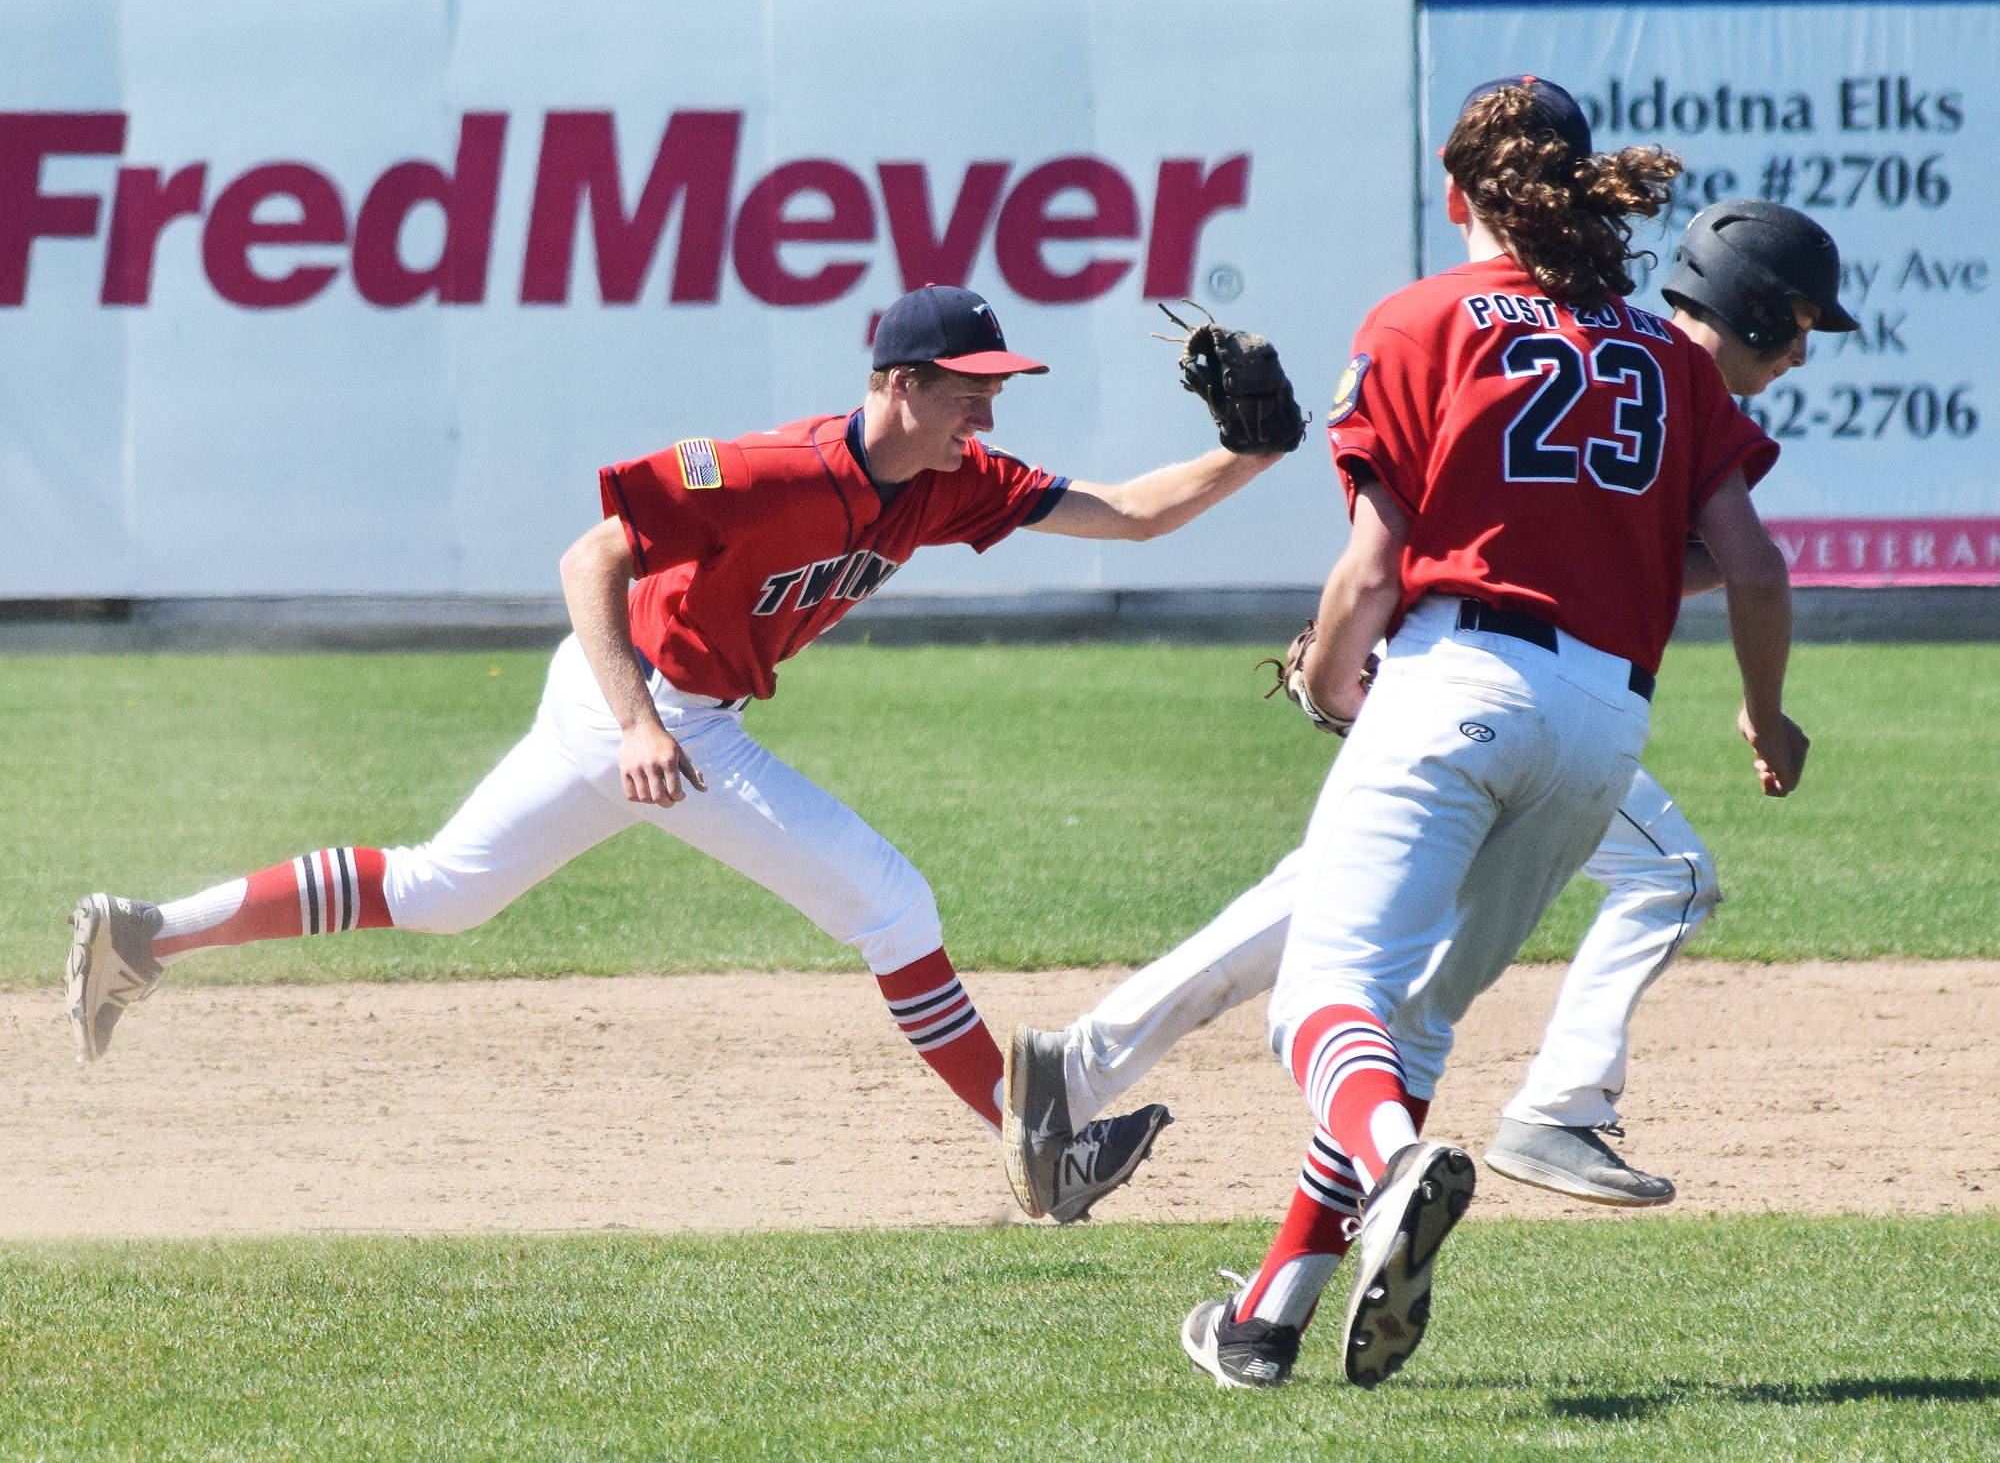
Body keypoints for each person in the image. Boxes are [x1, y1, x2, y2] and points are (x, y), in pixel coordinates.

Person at [64, 284, 1302, 1225]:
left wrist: (1249, 451)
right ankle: (1041, 1154)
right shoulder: (769, 472)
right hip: (651, 708)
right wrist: (641, 722)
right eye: (968, 388)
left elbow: (1134, 516)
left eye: (995, 390)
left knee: (444, 892)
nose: (989, 410)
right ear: (897, 383)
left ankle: (147, 932)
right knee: (891, 901)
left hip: (650, 711)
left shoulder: (948, 480)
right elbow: (587, 559)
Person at [1002, 199, 1855, 1224]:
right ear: (1753, 306)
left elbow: (1513, 526)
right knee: (1666, 875)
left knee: (1326, 892)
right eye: (1801, 319)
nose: (1805, 349)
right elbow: (1670, 558)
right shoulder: (1649, 372)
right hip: (1514, 689)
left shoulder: (1588, 350)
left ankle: (1080, 1066)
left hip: (1449, 672)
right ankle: (1553, 1107)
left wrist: (1356, 641)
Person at [1155, 76, 1807, 1390]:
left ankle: (1395, 1165)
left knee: (1319, 1005)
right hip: (1604, 724)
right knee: (1415, 1025)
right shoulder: (1664, 350)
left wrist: (1339, 676)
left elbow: (1372, 565)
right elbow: (1750, 561)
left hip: (1457, 675)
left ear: (1456, 192)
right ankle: (1268, 1319)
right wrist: (1765, 704)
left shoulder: (1420, 318)